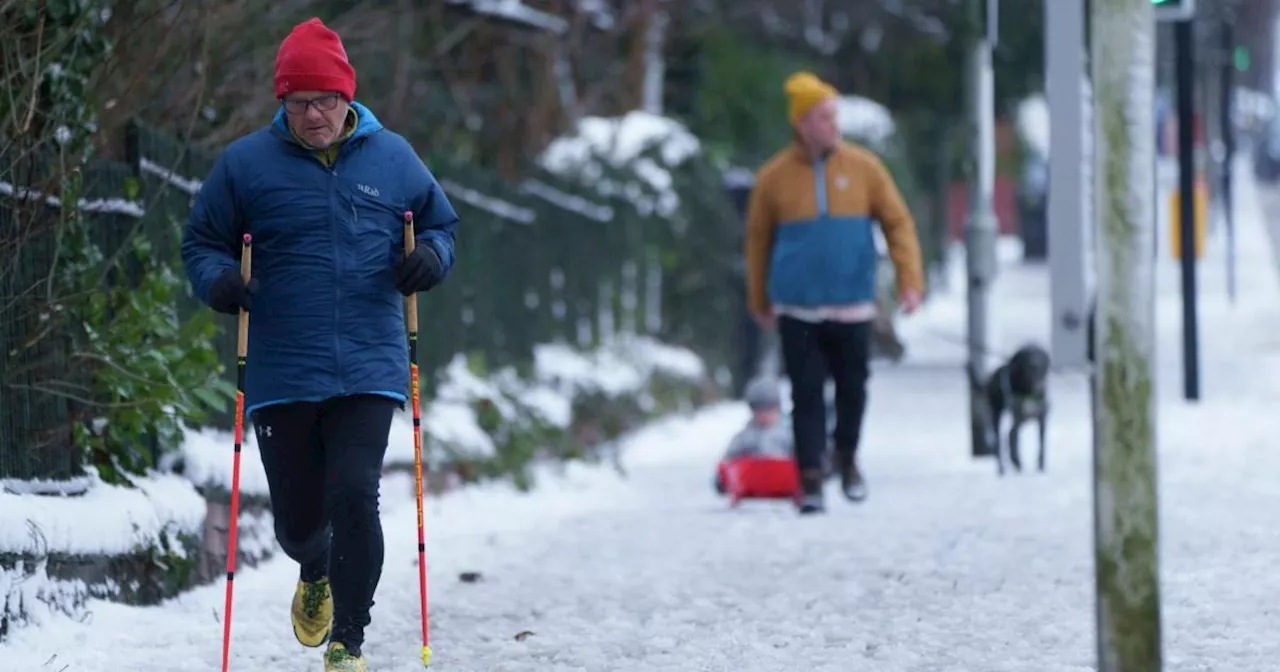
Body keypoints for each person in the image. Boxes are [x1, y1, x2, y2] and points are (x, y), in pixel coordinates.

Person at [180, 17, 459, 672]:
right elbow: (202, 242)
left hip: (370, 360)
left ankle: (348, 644)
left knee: (357, 493)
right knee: (300, 522)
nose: (313, 115)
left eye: (325, 101)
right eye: (300, 102)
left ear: (347, 97)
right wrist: (218, 279)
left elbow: (441, 224)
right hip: (284, 365)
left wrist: (433, 260)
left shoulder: (394, 158)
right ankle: (313, 566)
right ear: (283, 103)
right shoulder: (245, 165)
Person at [743, 71, 925, 515]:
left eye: (834, 115)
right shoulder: (773, 178)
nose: (833, 124)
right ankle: (809, 477)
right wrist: (759, 298)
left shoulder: (864, 168)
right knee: (805, 393)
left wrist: (910, 279)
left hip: (852, 304)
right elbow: (757, 241)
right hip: (797, 307)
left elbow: (897, 222)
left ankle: (845, 454)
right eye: (824, 116)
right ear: (802, 122)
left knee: (852, 389)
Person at [713, 377, 793, 496]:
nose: (764, 415)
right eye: (759, 410)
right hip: (751, 483)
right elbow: (728, 459)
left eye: (769, 409)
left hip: (783, 482)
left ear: (778, 408)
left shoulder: (787, 434)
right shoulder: (744, 436)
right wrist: (724, 475)